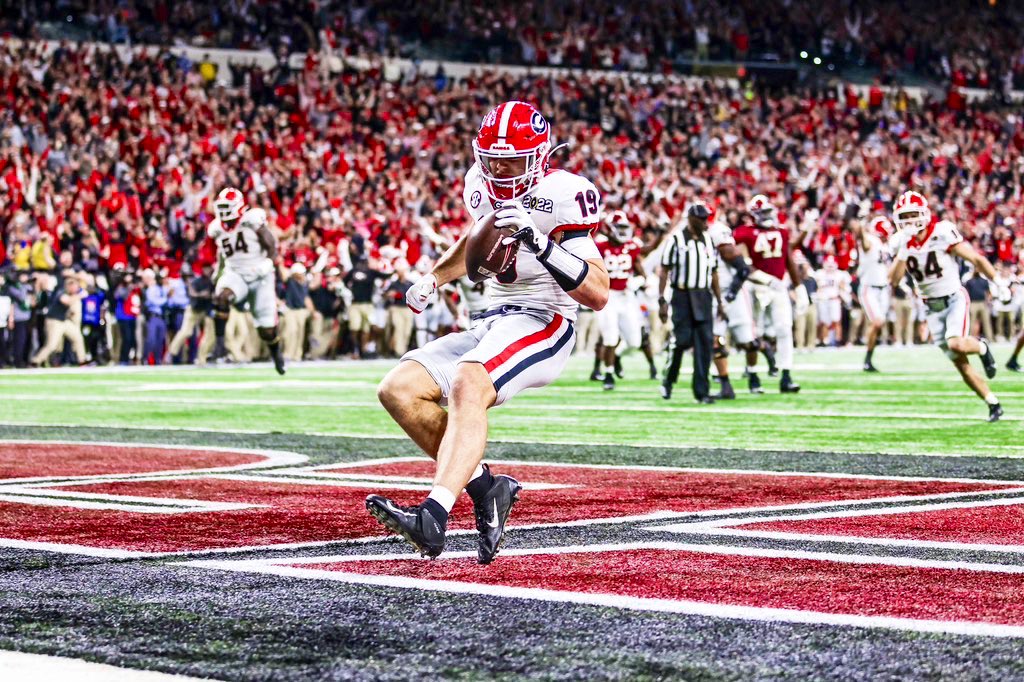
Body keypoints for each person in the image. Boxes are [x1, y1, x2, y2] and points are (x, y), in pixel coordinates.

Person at [366, 100, 610, 562]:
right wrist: (435, 276)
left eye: (511, 161)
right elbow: (476, 238)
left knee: (468, 380)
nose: (499, 169)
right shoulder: (478, 186)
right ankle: (487, 488)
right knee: (398, 389)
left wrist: (538, 241)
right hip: (493, 318)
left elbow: (598, 292)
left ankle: (433, 517)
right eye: (492, 159)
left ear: (539, 156)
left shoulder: (563, 194)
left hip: (545, 320)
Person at [887, 190, 1001, 422]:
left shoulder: (941, 232)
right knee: (960, 363)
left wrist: (998, 282)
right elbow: (894, 280)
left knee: (956, 342)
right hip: (931, 307)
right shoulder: (900, 243)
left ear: (924, 214)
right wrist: (903, 250)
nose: (909, 221)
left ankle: (982, 347)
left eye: (913, 215)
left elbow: (975, 259)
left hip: (954, 297)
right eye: (905, 216)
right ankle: (992, 402)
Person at [733, 194, 809, 393]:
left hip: (778, 287)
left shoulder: (781, 232)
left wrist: (798, 287)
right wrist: (764, 279)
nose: (767, 215)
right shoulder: (744, 234)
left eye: (768, 211)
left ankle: (786, 375)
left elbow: (788, 260)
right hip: (756, 287)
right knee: (754, 333)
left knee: (784, 329)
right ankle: (753, 374)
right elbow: (743, 263)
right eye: (763, 212)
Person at [209, 187, 286, 375]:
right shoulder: (217, 228)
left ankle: (276, 354)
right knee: (222, 297)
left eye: (228, 206)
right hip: (236, 273)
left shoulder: (251, 219)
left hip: (260, 275)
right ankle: (219, 346)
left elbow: (271, 244)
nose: (223, 211)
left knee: (266, 331)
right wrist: (218, 272)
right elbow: (222, 253)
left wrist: (268, 263)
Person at [657, 203, 723, 403]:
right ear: (691, 219)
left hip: (703, 295)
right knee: (682, 340)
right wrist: (662, 300)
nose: (705, 222)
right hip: (682, 296)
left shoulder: (709, 241)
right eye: (702, 218)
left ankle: (702, 392)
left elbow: (714, 273)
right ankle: (668, 379)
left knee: (704, 344)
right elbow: (664, 270)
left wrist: (720, 301)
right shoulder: (676, 240)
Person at [594, 211, 648, 390]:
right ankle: (608, 373)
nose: (623, 231)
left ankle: (616, 356)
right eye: (619, 227)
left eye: (625, 227)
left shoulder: (632, 247)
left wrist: (637, 282)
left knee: (635, 342)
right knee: (610, 337)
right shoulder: (599, 247)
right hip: (607, 296)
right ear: (609, 228)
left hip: (626, 296)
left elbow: (641, 273)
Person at [855, 216, 896, 371]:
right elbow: (863, 239)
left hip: (883, 289)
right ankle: (867, 358)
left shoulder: (887, 246)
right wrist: (861, 222)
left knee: (879, 324)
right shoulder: (872, 241)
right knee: (877, 322)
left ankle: (868, 360)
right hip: (869, 288)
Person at [31, 274, 86, 366]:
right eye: (76, 286)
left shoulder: (70, 294)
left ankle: (82, 360)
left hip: (64, 321)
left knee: (77, 337)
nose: (77, 289)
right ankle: (35, 361)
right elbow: (66, 301)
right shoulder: (61, 291)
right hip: (54, 321)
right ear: (70, 286)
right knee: (52, 345)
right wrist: (80, 296)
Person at [168, 264, 215, 365]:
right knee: (186, 332)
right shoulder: (196, 281)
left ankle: (202, 358)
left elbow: (214, 294)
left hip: (205, 310)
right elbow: (192, 293)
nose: (188, 278)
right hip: (193, 310)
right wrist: (202, 294)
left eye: (189, 275)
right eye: (186, 276)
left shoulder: (212, 282)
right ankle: (171, 352)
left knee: (210, 335)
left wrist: (212, 296)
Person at [281, 263, 312, 361]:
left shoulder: (305, 283)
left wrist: (312, 311)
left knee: (300, 333)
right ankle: (288, 354)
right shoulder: (290, 281)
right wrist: (281, 263)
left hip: (302, 310)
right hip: (290, 310)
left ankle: (297, 355)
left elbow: (306, 297)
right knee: (291, 331)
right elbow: (284, 273)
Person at [141, 269, 168, 365]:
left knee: (160, 340)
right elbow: (154, 301)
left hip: (162, 317)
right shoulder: (152, 289)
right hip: (153, 316)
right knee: (151, 339)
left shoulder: (162, 289)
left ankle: (158, 360)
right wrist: (166, 299)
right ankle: (145, 358)